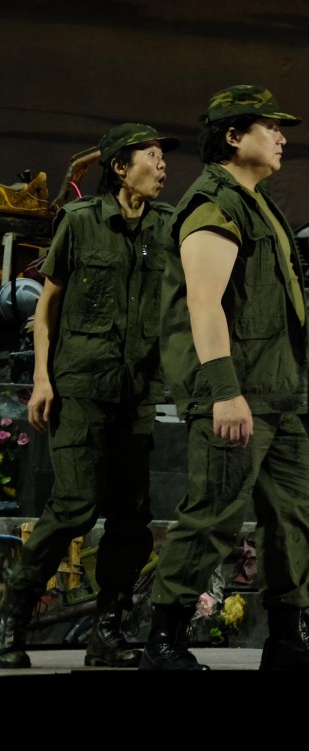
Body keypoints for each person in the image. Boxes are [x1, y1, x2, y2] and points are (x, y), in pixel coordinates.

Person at [143, 86, 309, 672]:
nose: (282, 137)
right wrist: (225, 391)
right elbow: (203, 303)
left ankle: (288, 638)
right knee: (213, 516)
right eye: (270, 127)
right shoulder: (214, 203)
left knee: (295, 518)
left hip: (276, 393)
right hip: (238, 393)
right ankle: (163, 641)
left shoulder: (257, 203)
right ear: (233, 136)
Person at [1, 124, 179, 670]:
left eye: (163, 157)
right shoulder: (80, 221)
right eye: (152, 156)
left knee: (131, 516)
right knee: (74, 505)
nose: (162, 165)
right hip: (80, 386)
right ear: (120, 167)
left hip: (137, 391)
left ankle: (107, 632)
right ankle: (13, 618)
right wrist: (42, 378)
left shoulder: (169, 226)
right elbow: (46, 306)